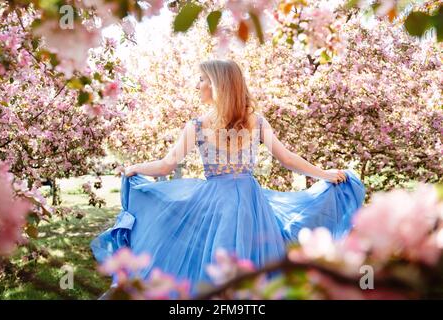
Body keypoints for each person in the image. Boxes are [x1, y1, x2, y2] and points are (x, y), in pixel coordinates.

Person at [91, 59, 365, 297]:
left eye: (202, 80)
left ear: (217, 85)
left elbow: (166, 165)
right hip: (246, 203)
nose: (197, 85)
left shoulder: (204, 125)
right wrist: (137, 168)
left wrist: (135, 167)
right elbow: (287, 159)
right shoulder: (249, 122)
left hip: (233, 205)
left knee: (222, 267)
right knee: (246, 266)